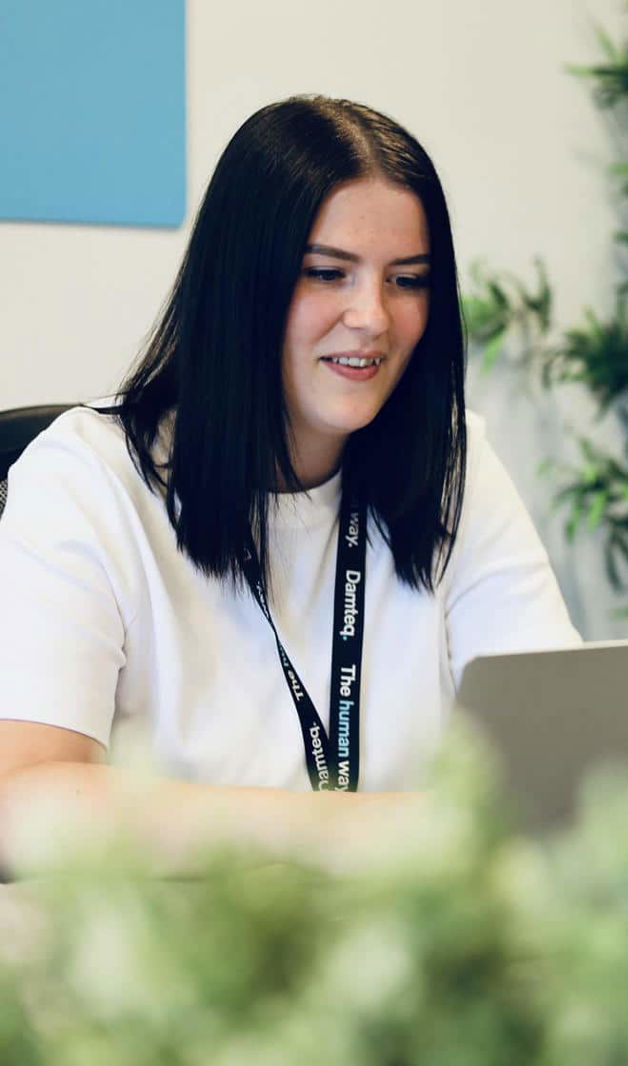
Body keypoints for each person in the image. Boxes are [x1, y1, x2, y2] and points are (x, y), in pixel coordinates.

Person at [0, 96, 579, 872]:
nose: (372, 316)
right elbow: (23, 802)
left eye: (407, 281)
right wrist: (352, 831)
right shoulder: (87, 477)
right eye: (327, 274)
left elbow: (562, 761)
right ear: (242, 284)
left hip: (413, 958)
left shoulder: (453, 465)